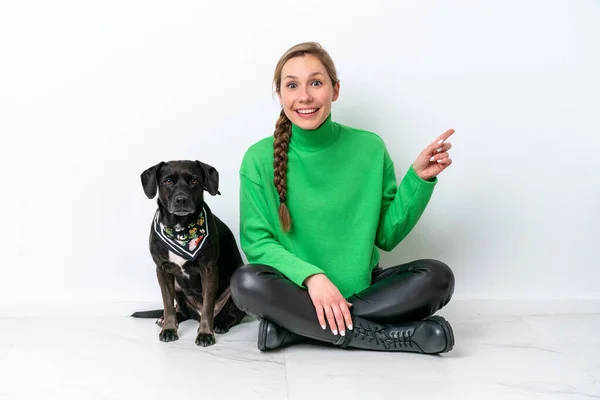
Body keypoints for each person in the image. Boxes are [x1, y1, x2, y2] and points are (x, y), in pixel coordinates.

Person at [230, 42, 456, 354]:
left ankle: (298, 328)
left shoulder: (370, 148)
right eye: (292, 85)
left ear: (335, 90)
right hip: (295, 291)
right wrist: (313, 278)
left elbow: (387, 236)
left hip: (364, 290)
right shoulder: (257, 159)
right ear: (280, 95)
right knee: (246, 282)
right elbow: (257, 243)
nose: (305, 96)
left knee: (438, 277)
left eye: (316, 82)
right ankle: (389, 338)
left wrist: (419, 179)